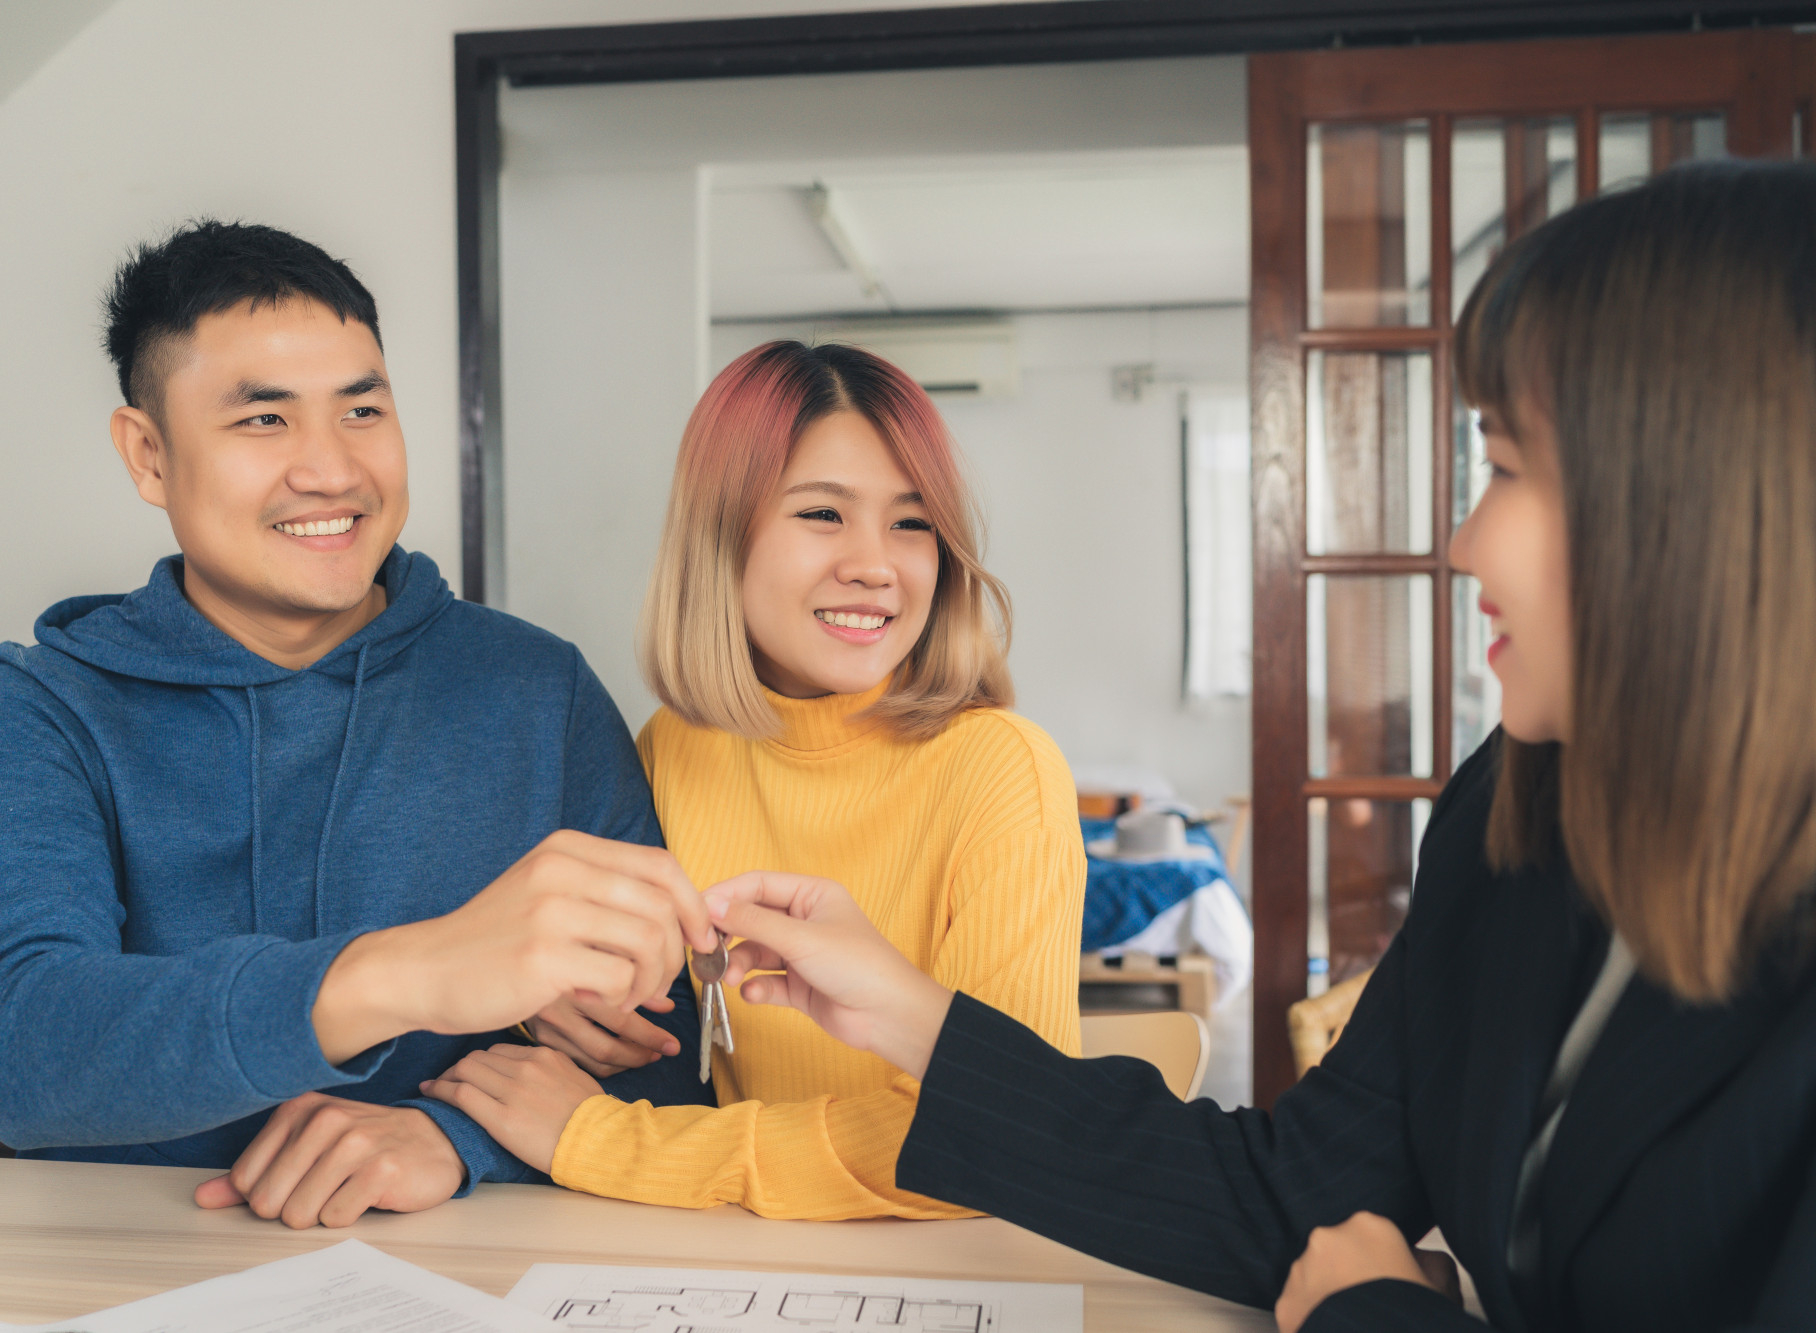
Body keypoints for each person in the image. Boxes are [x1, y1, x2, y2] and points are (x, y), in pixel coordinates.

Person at [666, 163, 1816, 1331]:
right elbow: (1290, 1194)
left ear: (1696, 502)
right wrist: (911, 1014)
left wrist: (1375, 1317)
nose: (1462, 543)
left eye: (1507, 471)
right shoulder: (1512, 817)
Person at [0, 220, 719, 1231]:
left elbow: (673, 1061)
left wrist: (458, 1141)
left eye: (362, 408)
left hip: (473, 1261)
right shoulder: (33, 715)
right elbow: (26, 1050)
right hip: (138, 1259)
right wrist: (421, 970)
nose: (331, 470)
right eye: (264, 421)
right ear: (148, 453)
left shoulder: (537, 687)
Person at [420, 342, 1086, 1219]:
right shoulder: (673, 749)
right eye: (822, 514)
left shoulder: (1004, 770)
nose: (875, 564)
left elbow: (990, 1139)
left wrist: (601, 1139)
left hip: (942, 1267)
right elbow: (653, 1032)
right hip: (734, 1257)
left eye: (912, 522)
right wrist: (557, 1012)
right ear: (719, 536)